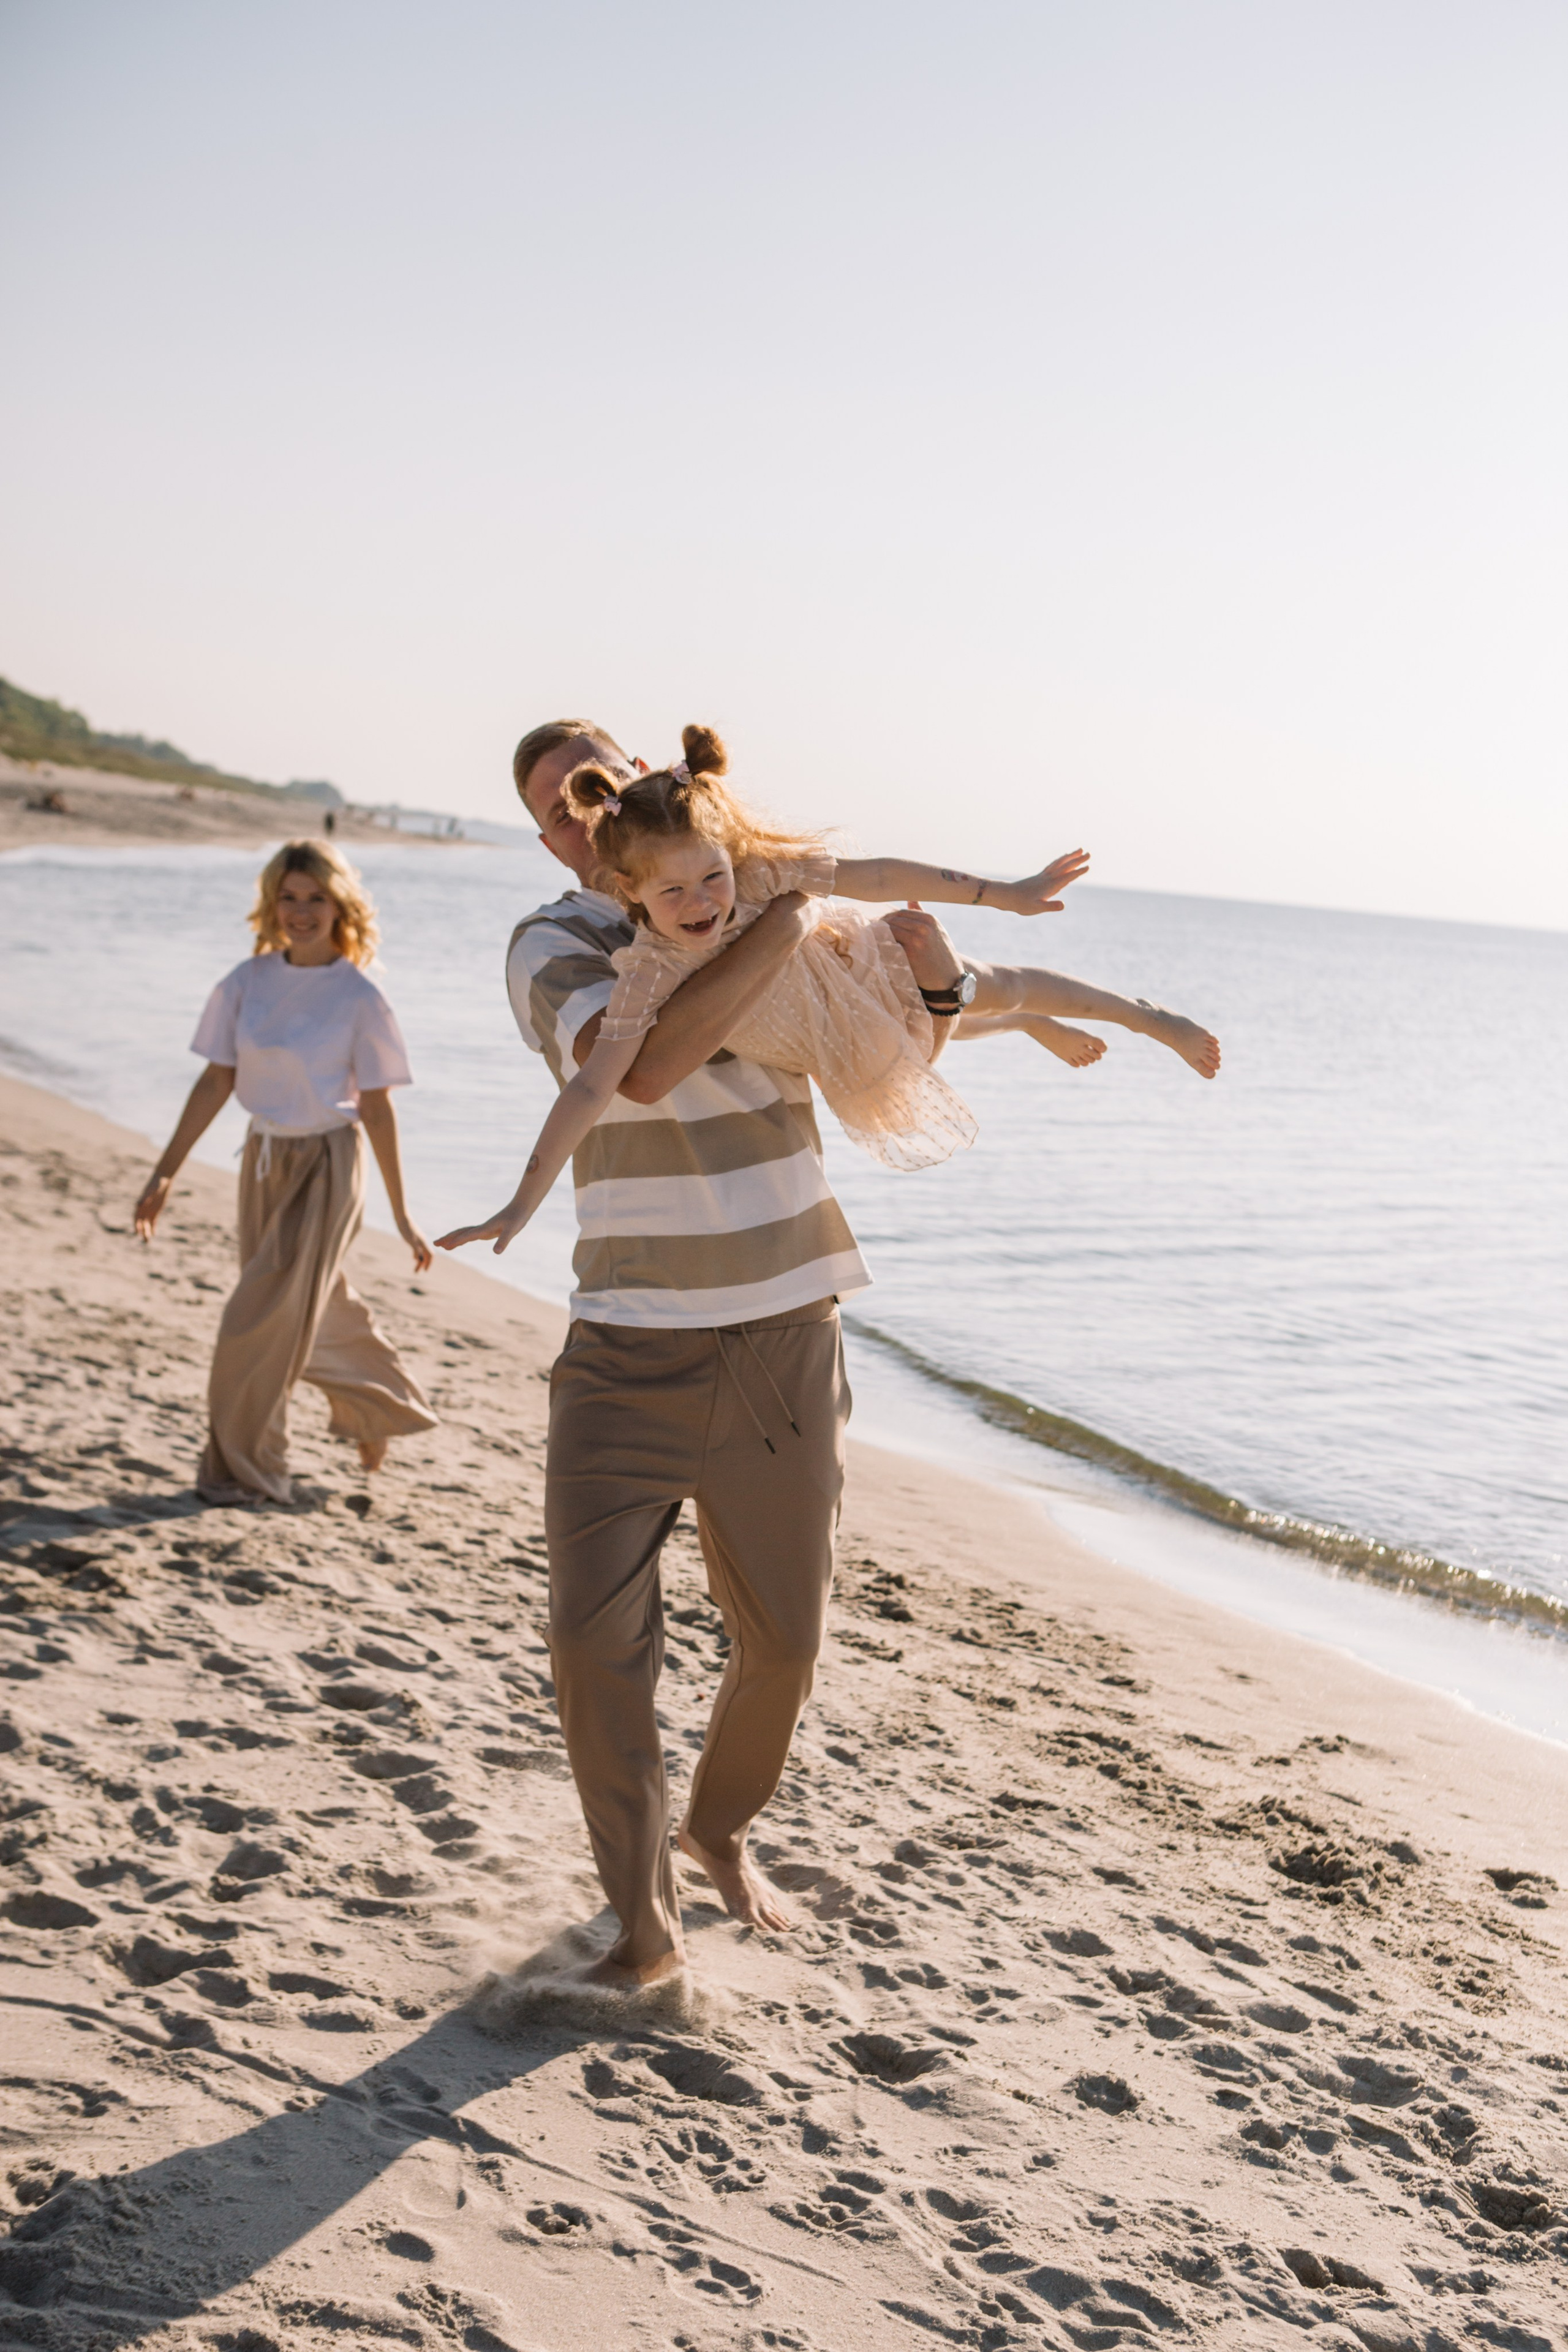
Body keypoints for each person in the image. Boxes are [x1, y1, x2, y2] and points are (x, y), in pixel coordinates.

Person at [133, 840, 437, 1508]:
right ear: (272, 905)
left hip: (329, 1164)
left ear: (340, 906)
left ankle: (247, 1469)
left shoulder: (360, 997)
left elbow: (378, 1107)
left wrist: (402, 1213)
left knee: (255, 1320)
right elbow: (216, 1081)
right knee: (303, 1305)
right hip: (264, 1161)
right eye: (289, 897)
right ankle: (377, 1405)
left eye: (316, 898)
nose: (302, 912)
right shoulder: (244, 983)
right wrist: (165, 1174)